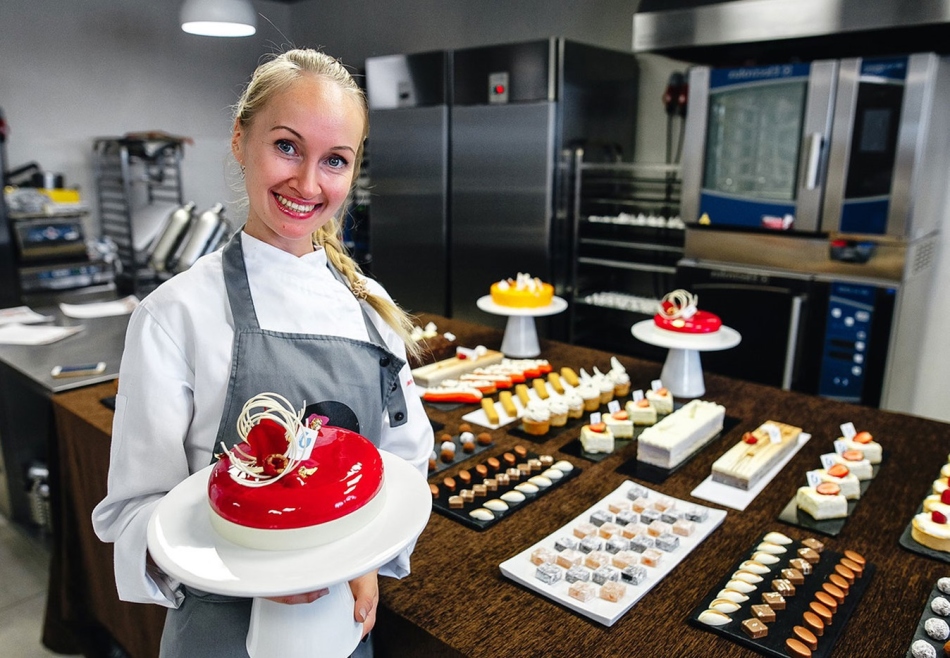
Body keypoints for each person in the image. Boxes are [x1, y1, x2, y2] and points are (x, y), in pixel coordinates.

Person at [92, 48, 433, 657]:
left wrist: (366, 556)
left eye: (334, 160)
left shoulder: (369, 304)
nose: (307, 183)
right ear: (240, 139)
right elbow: (133, 513)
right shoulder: (176, 315)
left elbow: (405, 463)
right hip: (220, 634)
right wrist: (252, 566)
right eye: (286, 146)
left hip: (342, 629)